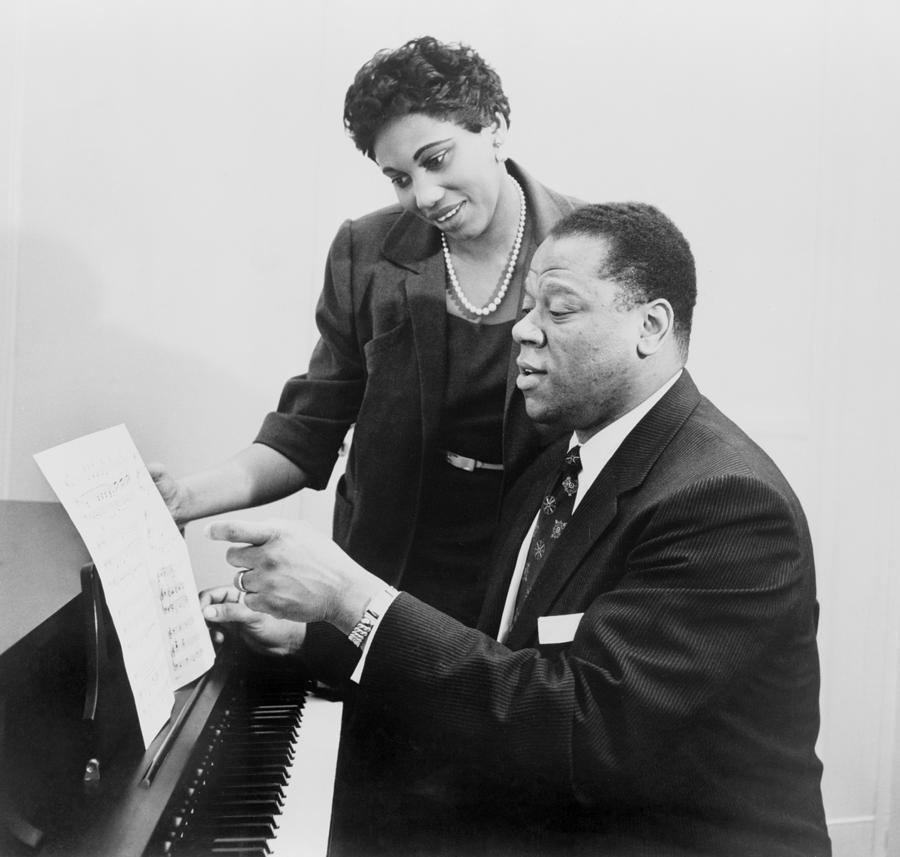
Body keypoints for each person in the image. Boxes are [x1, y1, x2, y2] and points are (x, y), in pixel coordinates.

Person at [200, 203, 831, 856]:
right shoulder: (560, 460)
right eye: (527, 306)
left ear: (651, 326)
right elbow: (495, 646)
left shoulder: (727, 504)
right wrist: (312, 631)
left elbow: (579, 730)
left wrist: (349, 594)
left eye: (557, 309)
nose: (522, 331)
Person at [150, 36, 580, 629]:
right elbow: (310, 428)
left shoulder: (590, 251)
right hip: (383, 581)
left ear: (496, 126)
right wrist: (188, 499)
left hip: (531, 586)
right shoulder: (367, 251)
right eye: (399, 177)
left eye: (436, 159)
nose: (423, 196)